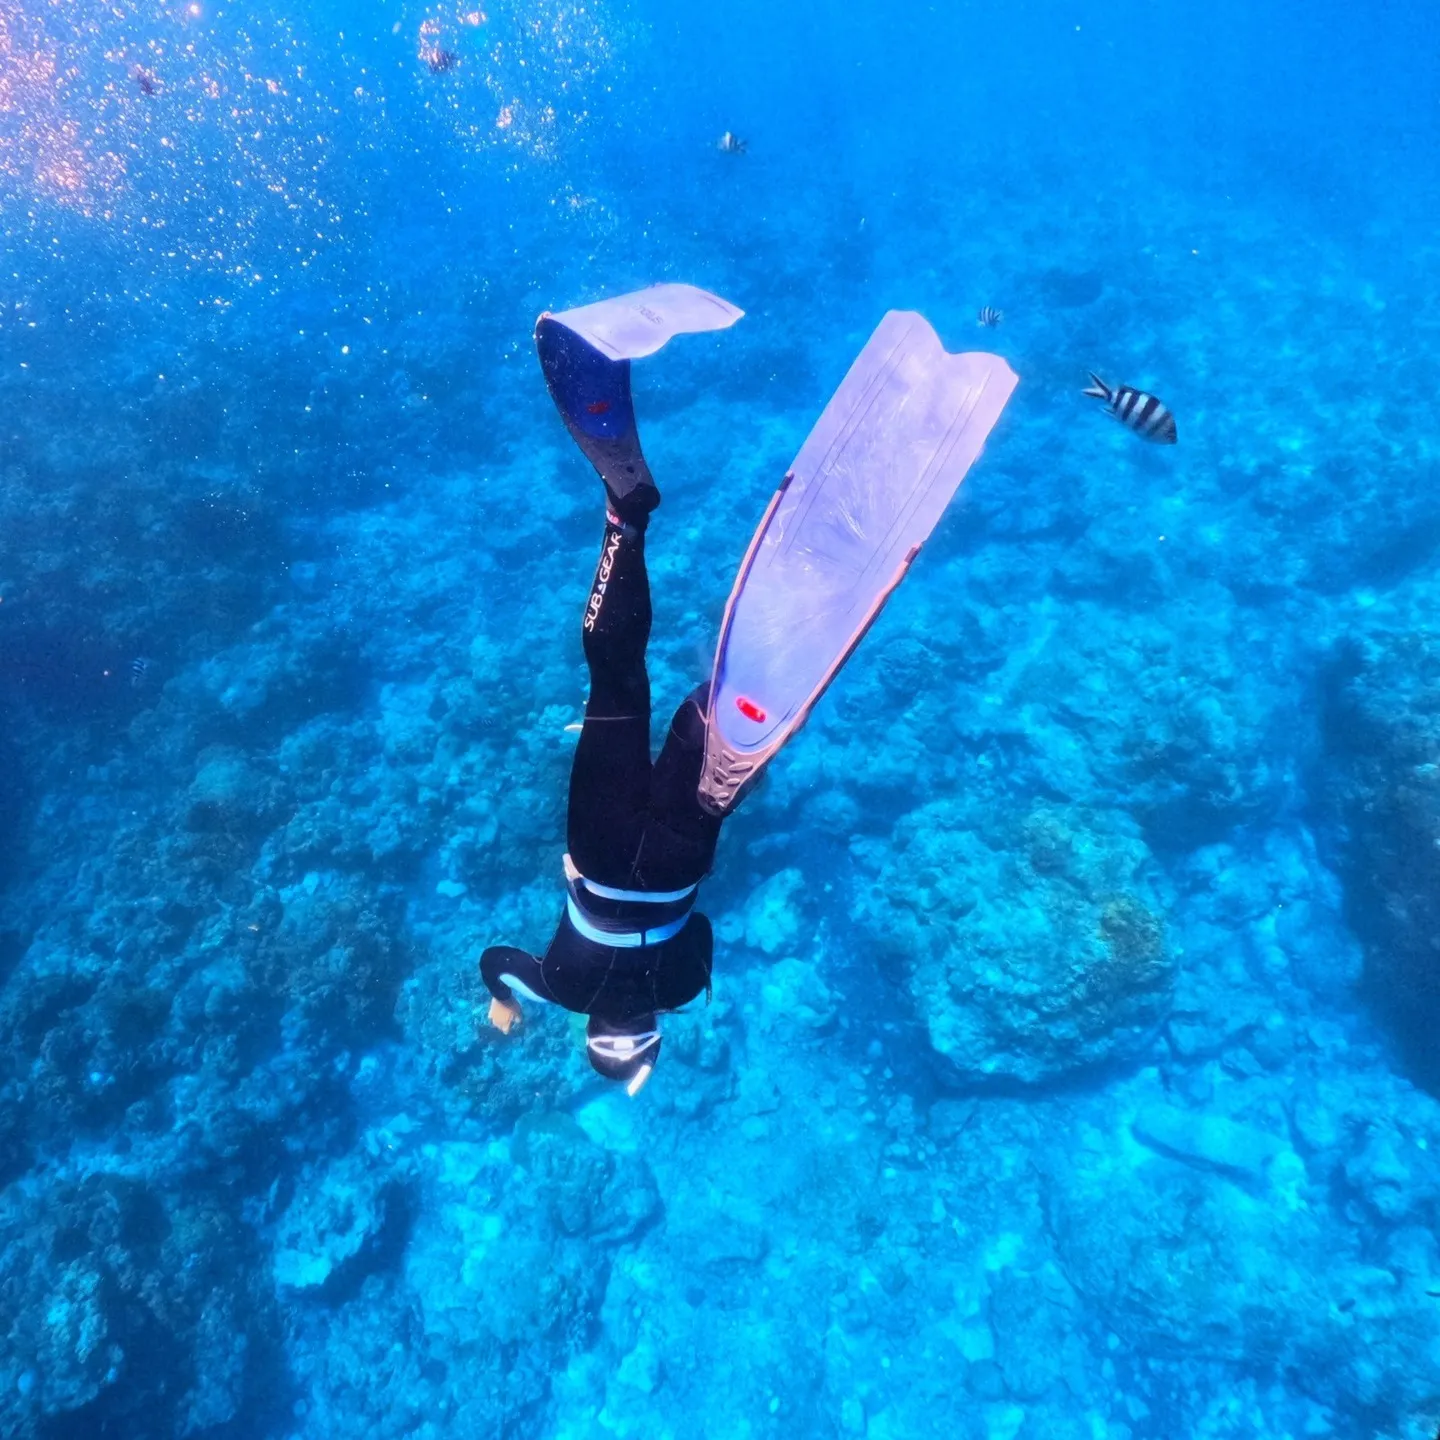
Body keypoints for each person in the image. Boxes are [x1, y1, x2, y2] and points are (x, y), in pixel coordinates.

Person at [481, 285, 1018, 1095]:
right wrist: (505, 1004)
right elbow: (497, 964)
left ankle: (719, 691)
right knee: (614, 677)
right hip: (596, 848)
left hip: (678, 852)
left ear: (650, 1032)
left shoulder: (684, 989)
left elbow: (693, 932)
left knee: (717, 711)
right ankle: (627, 519)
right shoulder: (555, 987)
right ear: (591, 1031)